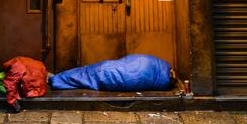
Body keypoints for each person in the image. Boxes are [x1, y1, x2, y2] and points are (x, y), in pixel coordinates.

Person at [48, 54, 176, 91]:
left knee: (91, 74)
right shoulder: (162, 68)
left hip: (113, 71)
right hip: (120, 68)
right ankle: (57, 79)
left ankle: (56, 80)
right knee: (89, 73)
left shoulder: (162, 71)